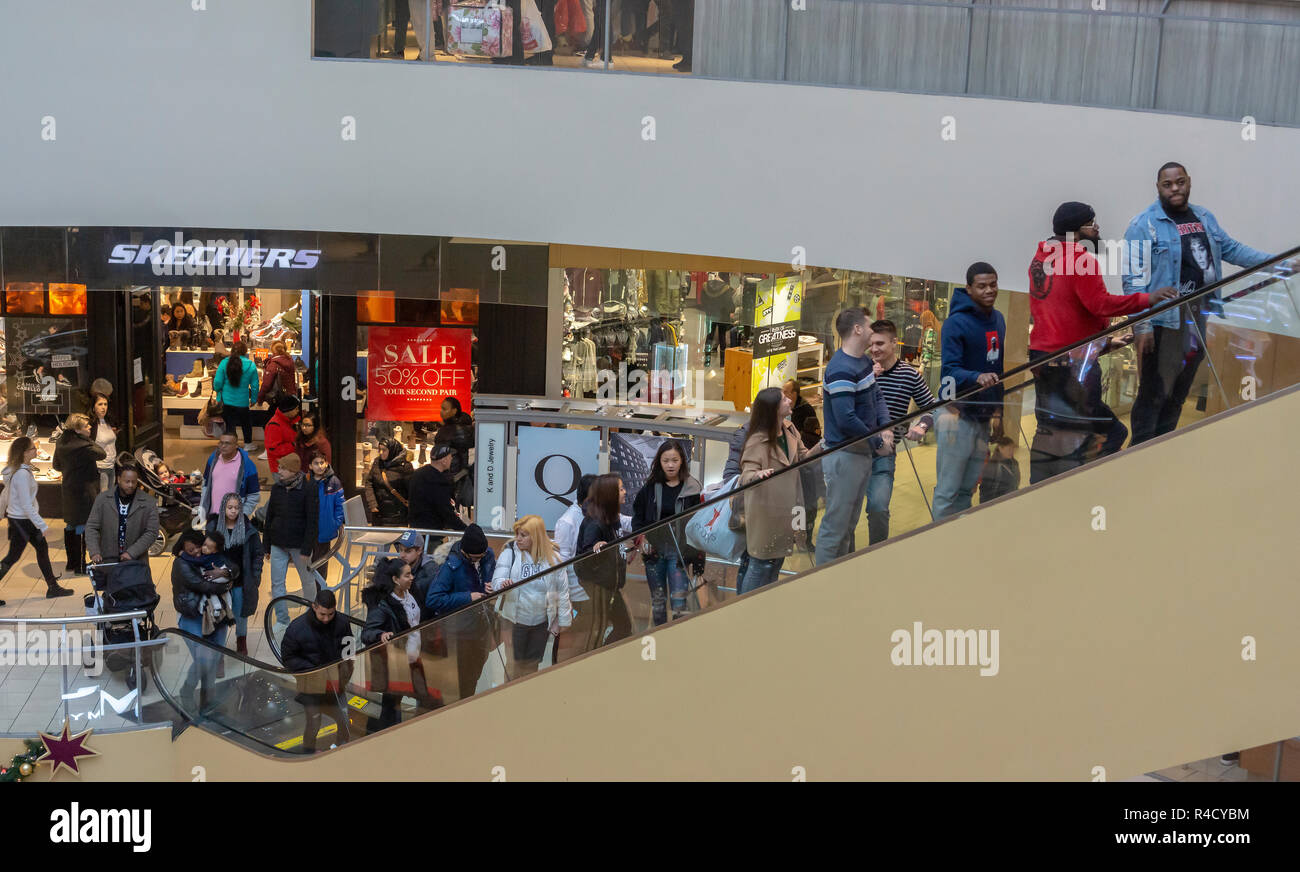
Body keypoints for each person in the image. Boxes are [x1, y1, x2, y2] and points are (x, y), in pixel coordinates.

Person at [1123, 162, 1276, 444]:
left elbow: (1232, 249)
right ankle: (1140, 454)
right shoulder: (1142, 225)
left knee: (1178, 393)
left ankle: (1162, 448)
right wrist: (1141, 328)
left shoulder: (1204, 217)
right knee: (1154, 395)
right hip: (1163, 323)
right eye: (1167, 185)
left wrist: (1275, 263)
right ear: (1158, 187)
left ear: (1189, 182)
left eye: (1180, 182)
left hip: (1197, 319)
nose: (1175, 189)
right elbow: (1133, 281)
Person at [1028, 202, 1178, 483]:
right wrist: (1149, 298)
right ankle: (1078, 485)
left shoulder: (1040, 259)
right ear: (1077, 230)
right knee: (1102, 433)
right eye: (1091, 222)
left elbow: (1062, 313)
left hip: (1043, 358)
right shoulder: (1080, 260)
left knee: (1050, 429)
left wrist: (1103, 344)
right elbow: (1100, 304)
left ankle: (1040, 488)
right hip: (1074, 365)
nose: (1097, 227)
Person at [813, 307, 893, 566]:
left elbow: (876, 395)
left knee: (848, 524)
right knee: (836, 526)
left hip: (860, 454)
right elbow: (846, 418)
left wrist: (885, 427)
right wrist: (877, 440)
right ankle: (824, 581)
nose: (872, 330)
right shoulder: (840, 369)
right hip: (845, 455)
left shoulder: (863, 362)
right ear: (857, 329)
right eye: (869, 326)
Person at [933, 264, 1006, 520]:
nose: (989, 290)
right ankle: (938, 545)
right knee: (948, 490)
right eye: (982, 286)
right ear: (969, 288)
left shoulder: (998, 319)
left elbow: (999, 369)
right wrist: (976, 377)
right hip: (957, 416)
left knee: (967, 489)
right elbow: (948, 373)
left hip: (983, 416)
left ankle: (957, 541)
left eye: (993, 284)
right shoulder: (955, 323)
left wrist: (1000, 412)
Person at [866, 320, 937, 544]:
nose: (874, 349)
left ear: (894, 343)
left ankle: (877, 553)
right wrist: (868, 379)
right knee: (845, 513)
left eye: (880, 343)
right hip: (855, 451)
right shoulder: (861, 371)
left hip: (884, 454)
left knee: (878, 508)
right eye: (871, 344)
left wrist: (921, 426)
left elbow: (931, 408)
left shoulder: (909, 375)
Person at [736, 387, 809, 593]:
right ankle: (746, 610)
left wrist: (825, 444)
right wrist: (757, 475)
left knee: (777, 562)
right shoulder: (757, 440)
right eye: (784, 399)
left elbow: (805, 456)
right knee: (760, 565)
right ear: (773, 408)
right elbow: (746, 475)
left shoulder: (790, 430)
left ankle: (764, 606)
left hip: (788, 509)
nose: (789, 401)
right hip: (765, 512)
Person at [630, 439, 703, 625]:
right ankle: (660, 643)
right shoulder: (649, 488)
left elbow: (699, 523)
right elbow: (637, 518)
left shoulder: (693, 488)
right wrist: (642, 536)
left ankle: (678, 644)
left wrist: (698, 557)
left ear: (682, 462)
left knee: (680, 603)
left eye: (675, 460)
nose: (670, 465)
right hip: (655, 552)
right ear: (659, 462)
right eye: (666, 460)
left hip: (680, 553)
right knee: (658, 602)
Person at [491, 515, 572, 675]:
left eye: (523, 535)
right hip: (514, 621)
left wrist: (563, 621)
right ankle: (510, 697)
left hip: (540, 623)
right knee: (513, 666)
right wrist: (502, 584)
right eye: (517, 534)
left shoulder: (553, 558)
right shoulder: (510, 554)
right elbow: (497, 580)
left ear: (535, 536)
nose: (518, 539)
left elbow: (562, 591)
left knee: (532, 666)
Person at [362, 556, 436, 728]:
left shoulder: (412, 593)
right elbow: (367, 633)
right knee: (392, 705)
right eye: (407, 575)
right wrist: (381, 634)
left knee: (424, 697)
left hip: (415, 658)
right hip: (397, 663)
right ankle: (389, 736)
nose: (412, 578)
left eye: (411, 574)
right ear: (395, 579)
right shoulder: (383, 605)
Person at [426, 524, 497, 699]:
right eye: (474, 558)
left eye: (482, 556)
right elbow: (433, 599)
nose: (479, 560)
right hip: (460, 633)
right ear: (465, 553)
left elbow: (491, 576)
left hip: (482, 628)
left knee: (474, 675)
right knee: (462, 681)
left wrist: (492, 585)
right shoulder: (451, 567)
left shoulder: (488, 555)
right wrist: (467, 597)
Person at [280, 588, 353, 753]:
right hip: (311, 685)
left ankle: (341, 748)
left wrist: (346, 671)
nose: (326, 619)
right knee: (314, 722)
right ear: (314, 607)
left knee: (343, 719)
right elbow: (288, 658)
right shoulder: (297, 628)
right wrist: (312, 670)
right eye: (322, 614)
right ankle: (308, 752)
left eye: (330, 614)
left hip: (335, 684)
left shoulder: (342, 623)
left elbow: (350, 647)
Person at [170, 530, 236, 709]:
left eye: (199, 548)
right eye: (191, 551)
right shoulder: (181, 564)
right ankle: (187, 690)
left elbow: (234, 568)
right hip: (192, 615)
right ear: (182, 550)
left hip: (217, 616)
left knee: (213, 660)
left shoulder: (212, 555)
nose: (197, 553)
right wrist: (226, 581)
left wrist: (228, 574)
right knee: (204, 659)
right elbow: (201, 585)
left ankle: (208, 700)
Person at [0, 438, 73, 596]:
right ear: (25, 453)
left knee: (42, 549)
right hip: (21, 521)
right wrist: (42, 524)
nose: (36, 450)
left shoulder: (20, 470)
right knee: (12, 557)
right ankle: (53, 587)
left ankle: (53, 587)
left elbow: (7, 495)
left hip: (22, 520)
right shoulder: (21, 474)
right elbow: (26, 505)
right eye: (33, 448)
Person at [264, 453, 320, 637]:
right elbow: (270, 516)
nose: (278, 471)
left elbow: (312, 520)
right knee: (277, 583)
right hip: (278, 542)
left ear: (293, 470)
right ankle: (282, 619)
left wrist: (307, 548)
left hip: (299, 544)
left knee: (307, 580)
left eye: (283, 468)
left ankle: (311, 615)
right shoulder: (277, 488)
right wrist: (266, 545)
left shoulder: (309, 488)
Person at [575, 474, 633, 646]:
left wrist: (622, 552)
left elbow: (613, 548)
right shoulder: (595, 522)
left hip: (610, 586)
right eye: (620, 489)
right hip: (600, 587)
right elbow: (588, 555)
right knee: (603, 628)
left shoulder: (611, 519)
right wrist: (598, 549)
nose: (625, 492)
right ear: (609, 494)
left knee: (622, 626)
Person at [208, 492, 263, 655]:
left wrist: (255, 576)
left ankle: (241, 640)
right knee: (219, 614)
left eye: (237, 508)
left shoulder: (248, 529)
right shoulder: (213, 527)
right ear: (223, 508)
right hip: (219, 579)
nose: (233, 511)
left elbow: (258, 553)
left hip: (241, 580)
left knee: (240, 613)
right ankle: (219, 647)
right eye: (230, 507)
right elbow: (207, 551)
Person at [52, 412, 106, 576]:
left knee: (70, 525)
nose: (90, 428)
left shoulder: (61, 442)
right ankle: (81, 566)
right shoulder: (85, 447)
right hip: (85, 491)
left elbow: (56, 465)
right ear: (77, 430)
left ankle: (72, 562)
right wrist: (87, 440)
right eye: (86, 426)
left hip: (69, 489)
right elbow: (102, 453)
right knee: (83, 526)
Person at [85, 462, 159, 572]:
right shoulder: (103, 499)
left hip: (136, 562)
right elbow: (91, 527)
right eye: (127, 481)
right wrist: (94, 551)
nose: (131, 485)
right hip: (108, 560)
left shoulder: (148, 502)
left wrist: (132, 552)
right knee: (111, 588)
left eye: (134, 482)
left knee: (135, 588)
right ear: (119, 479)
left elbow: (152, 532)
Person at [199, 432, 260, 522]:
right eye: (221, 443)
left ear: (236, 445)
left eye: (227, 443)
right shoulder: (213, 459)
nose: (223, 446)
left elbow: (254, 495)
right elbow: (206, 485)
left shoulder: (247, 465)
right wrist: (203, 508)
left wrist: (242, 516)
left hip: (233, 521)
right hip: (212, 518)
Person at [407, 445, 466, 533]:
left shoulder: (418, 474)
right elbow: (445, 511)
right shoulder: (438, 481)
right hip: (431, 532)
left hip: (415, 528)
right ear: (444, 461)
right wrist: (465, 529)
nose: (451, 459)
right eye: (450, 457)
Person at [213, 340, 260, 447]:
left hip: (226, 400)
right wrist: (253, 399)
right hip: (243, 401)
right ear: (245, 351)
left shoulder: (224, 363)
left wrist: (217, 391)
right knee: (246, 423)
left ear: (232, 350)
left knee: (230, 424)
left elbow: (218, 382)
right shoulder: (251, 365)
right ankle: (248, 444)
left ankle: (231, 445)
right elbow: (255, 386)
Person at [364, 437, 413, 527]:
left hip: (397, 515)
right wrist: (372, 503)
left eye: (384, 450)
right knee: (379, 540)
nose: (381, 452)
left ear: (392, 450)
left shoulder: (405, 467)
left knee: (398, 539)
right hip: (379, 513)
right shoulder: (377, 462)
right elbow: (369, 482)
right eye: (379, 450)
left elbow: (411, 490)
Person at [308, 451, 345, 563]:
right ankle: (310, 581)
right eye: (316, 463)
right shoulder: (306, 481)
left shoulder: (334, 482)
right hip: (308, 530)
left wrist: (336, 523)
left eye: (322, 463)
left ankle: (320, 581)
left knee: (321, 562)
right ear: (310, 466)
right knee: (308, 563)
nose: (319, 466)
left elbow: (340, 505)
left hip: (325, 529)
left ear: (327, 463)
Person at [432, 397, 474, 473]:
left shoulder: (455, 430)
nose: (441, 412)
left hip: (452, 473)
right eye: (441, 408)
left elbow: (460, 456)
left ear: (454, 411)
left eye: (444, 409)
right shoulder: (450, 428)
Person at [263, 394, 302, 475]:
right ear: (288, 410)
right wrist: (293, 445)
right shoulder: (274, 425)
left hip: (290, 465)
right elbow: (274, 449)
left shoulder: (288, 421)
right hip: (280, 469)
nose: (298, 411)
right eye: (296, 409)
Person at [88, 391, 118, 492]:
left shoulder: (108, 421)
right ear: (93, 407)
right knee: (103, 498)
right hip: (100, 467)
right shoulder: (90, 425)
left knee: (110, 496)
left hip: (112, 465)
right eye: (100, 404)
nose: (103, 407)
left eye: (105, 404)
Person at [979, 436, 1021, 504]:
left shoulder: (1015, 463)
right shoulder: (992, 466)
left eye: (1013, 448)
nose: (1012, 451)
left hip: (1011, 501)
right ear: (1000, 448)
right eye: (1009, 449)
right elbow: (985, 491)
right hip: (998, 504)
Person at [257, 340, 299, 407]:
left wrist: (259, 399)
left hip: (278, 399)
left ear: (273, 350)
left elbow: (266, 385)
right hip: (290, 396)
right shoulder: (289, 361)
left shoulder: (273, 364)